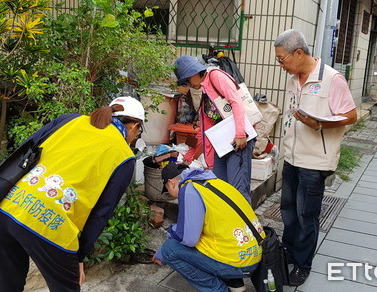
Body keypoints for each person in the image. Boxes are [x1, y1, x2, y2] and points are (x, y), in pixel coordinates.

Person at [0, 96, 145, 291]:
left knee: (7, 287)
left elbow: (26, 152)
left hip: (6, 207)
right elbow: (100, 214)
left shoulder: (69, 120)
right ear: (133, 126)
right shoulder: (124, 157)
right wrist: (79, 257)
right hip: (48, 223)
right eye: (139, 131)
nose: (136, 137)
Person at [274, 29, 357, 286]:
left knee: (305, 215)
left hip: (315, 162)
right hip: (292, 158)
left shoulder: (332, 79)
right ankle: (288, 250)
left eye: (282, 59)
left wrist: (319, 125)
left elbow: (351, 116)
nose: (281, 65)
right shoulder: (294, 78)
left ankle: (302, 264)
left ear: (299, 53)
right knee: (287, 209)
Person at [152, 162, 263, 292]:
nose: (171, 195)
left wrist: (163, 248)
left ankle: (218, 288)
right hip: (255, 253)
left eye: (169, 191)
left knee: (169, 249)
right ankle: (233, 280)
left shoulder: (188, 189)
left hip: (238, 262)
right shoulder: (215, 182)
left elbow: (189, 239)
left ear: (172, 183)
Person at [174, 55, 255, 203]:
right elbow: (203, 130)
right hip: (222, 144)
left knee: (238, 191)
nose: (188, 85)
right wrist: (189, 155)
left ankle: (244, 225)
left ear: (194, 72)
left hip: (238, 140)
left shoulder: (215, 76)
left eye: (187, 80)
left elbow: (236, 102)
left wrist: (240, 134)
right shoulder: (204, 91)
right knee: (220, 188)